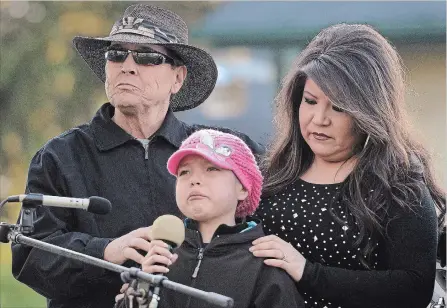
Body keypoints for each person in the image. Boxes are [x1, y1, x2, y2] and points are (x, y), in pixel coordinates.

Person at [11, 5, 263, 308]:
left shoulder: (226, 149)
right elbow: (29, 257)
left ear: (178, 78)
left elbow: (277, 222)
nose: (127, 66)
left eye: (147, 56)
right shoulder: (60, 156)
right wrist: (105, 252)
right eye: (116, 54)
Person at [250, 23, 446, 308]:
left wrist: (308, 273)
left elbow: (413, 287)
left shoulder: (399, 187)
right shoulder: (268, 175)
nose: (319, 118)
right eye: (310, 101)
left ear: (369, 111)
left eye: (338, 107)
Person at [115, 129, 305, 308]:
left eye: (211, 169)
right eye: (184, 172)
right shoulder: (160, 254)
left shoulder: (265, 265)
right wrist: (142, 285)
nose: (194, 180)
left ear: (243, 188)